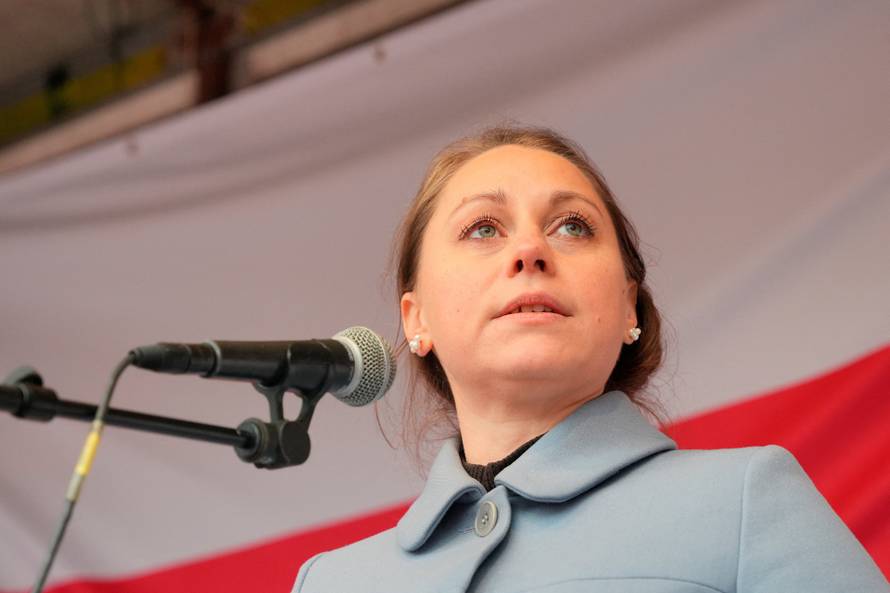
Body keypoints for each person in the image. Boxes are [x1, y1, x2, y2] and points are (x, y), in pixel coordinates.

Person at [292, 124, 888, 592]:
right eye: (482, 228)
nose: (530, 250)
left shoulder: (745, 502)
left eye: (572, 226)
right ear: (415, 318)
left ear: (630, 304)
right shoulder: (333, 583)